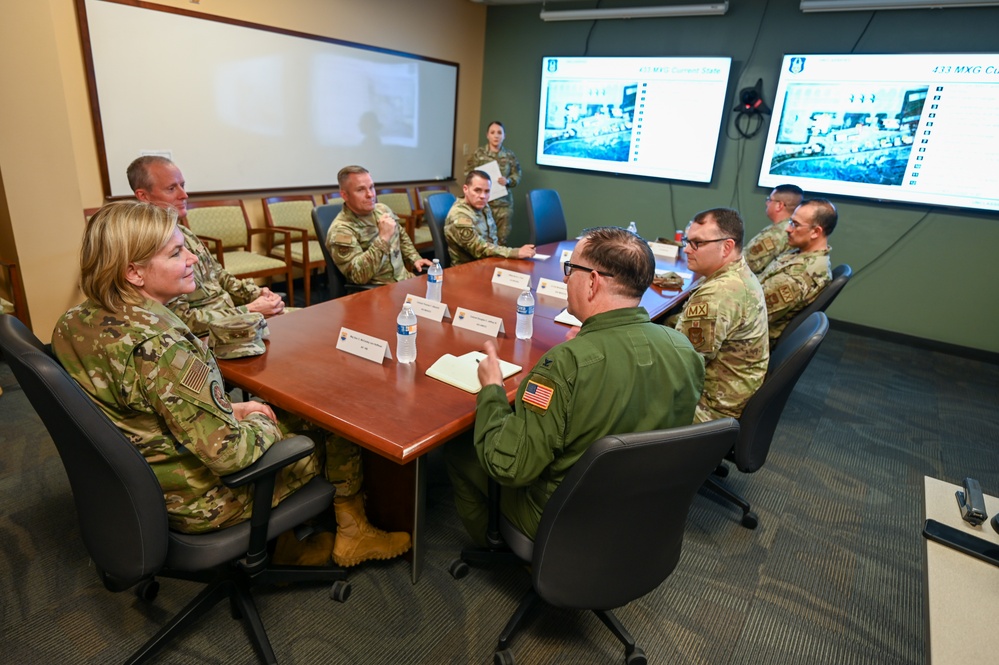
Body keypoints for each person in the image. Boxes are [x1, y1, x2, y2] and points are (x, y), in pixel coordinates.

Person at [53, 201, 411, 567]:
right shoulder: (164, 350)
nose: (193, 257)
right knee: (333, 419)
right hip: (199, 500)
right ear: (134, 273)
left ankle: (287, 539)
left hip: (136, 478)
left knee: (276, 409)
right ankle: (354, 533)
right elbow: (231, 455)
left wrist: (232, 408)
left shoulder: (75, 322)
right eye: (177, 252)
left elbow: (148, 404)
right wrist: (261, 419)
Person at [445, 227, 705, 545]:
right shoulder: (683, 348)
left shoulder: (566, 364)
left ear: (593, 281)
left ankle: (496, 545)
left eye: (570, 269)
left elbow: (509, 466)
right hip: (642, 507)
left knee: (459, 447)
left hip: (563, 517)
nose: (566, 279)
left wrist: (492, 388)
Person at [128, 156, 287, 336]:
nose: (184, 195)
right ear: (143, 196)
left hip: (234, 316)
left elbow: (218, 275)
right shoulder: (148, 249)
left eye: (183, 185)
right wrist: (248, 310)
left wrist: (258, 294)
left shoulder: (182, 232)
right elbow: (181, 320)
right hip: (212, 334)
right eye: (172, 188)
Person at [673, 208, 769, 423]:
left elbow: (680, 366)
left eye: (697, 243)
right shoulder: (737, 274)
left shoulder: (719, 294)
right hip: (731, 394)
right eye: (687, 241)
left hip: (709, 409)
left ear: (727, 246)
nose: (687, 249)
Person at [326, 165, 432, 285]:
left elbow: (401, 236)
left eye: (371, 187)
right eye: (361, 190)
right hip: (377, 292)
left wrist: (415, 258)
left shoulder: (382, 209)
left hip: (404, 281)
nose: (370, 194)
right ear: (345, 195)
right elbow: (358, 276)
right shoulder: (341, 230)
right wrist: (383, 239)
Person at [758, 198, 836, 344]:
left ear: (815, 232)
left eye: (795, 224)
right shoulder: (802, 254)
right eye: (790, 221)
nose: (788, 228)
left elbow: (751, 315)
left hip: (747, 344)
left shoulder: (798, 276)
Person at [444, 170, 535, 266]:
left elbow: (493, 239)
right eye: (477, 190)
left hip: (488, 263)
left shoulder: (483, 206)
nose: (483, 196)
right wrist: (515, 253)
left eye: (487, 191)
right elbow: (480, 249)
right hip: (468, 270)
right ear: (466, 189)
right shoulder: (459, 216)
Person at [465, 120, 521, 245]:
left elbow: (517, 175)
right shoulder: (478, 154)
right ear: (487, 135)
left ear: (504, 136)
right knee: (482, 240)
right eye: (493, 132)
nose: (496, 136)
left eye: (499, 133)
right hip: (483, 204)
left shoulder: (509, 156)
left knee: (501, 241)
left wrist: (508, 180)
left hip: (503, 206)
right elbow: (467, 174)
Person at [745, 184, 804, 274]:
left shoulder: (775, 234)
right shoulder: (792, 228)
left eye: (769, 200)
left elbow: (746, 265)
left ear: (779, 205)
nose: (767, 203)